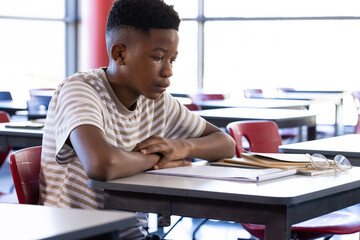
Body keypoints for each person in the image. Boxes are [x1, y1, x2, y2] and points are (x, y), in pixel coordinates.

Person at [38, 0, 236, 239]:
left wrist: (180, 146)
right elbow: (102, 165)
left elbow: (226, 144)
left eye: (171, 59)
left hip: (131, 233)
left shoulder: (156, 101)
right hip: (75, 233)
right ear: (120, 54)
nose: (168, 71)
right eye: (157, 58)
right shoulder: (80, 89)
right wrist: (160, 157)